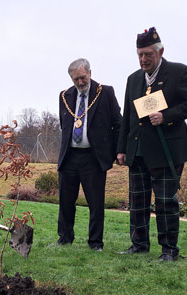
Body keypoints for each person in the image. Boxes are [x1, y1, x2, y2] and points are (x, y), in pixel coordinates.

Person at [117, 27, 187, 261]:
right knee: (137, 203)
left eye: (148, 55)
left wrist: (167, 115)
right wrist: (122, 148)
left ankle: (169, 250)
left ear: (160, 51)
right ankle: (139, 244)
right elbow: (128, 117)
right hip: (138, 151)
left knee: (166, 203)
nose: (143, 60)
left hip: (166, 152)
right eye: (140, 55)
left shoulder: (178, 72)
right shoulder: (133, 79)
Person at [57, 58, 122, 251]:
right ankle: (65, 238)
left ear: (90, 73)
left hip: (93, 158)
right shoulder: (64, 96)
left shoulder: (105, 92)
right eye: (75, 79)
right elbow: (64, 124)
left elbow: (117, 123)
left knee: (95, 202)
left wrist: (118, 151)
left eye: (82, 77)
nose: (80, 82)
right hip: (69, 156)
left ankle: (95, 242)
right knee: (65, 201)